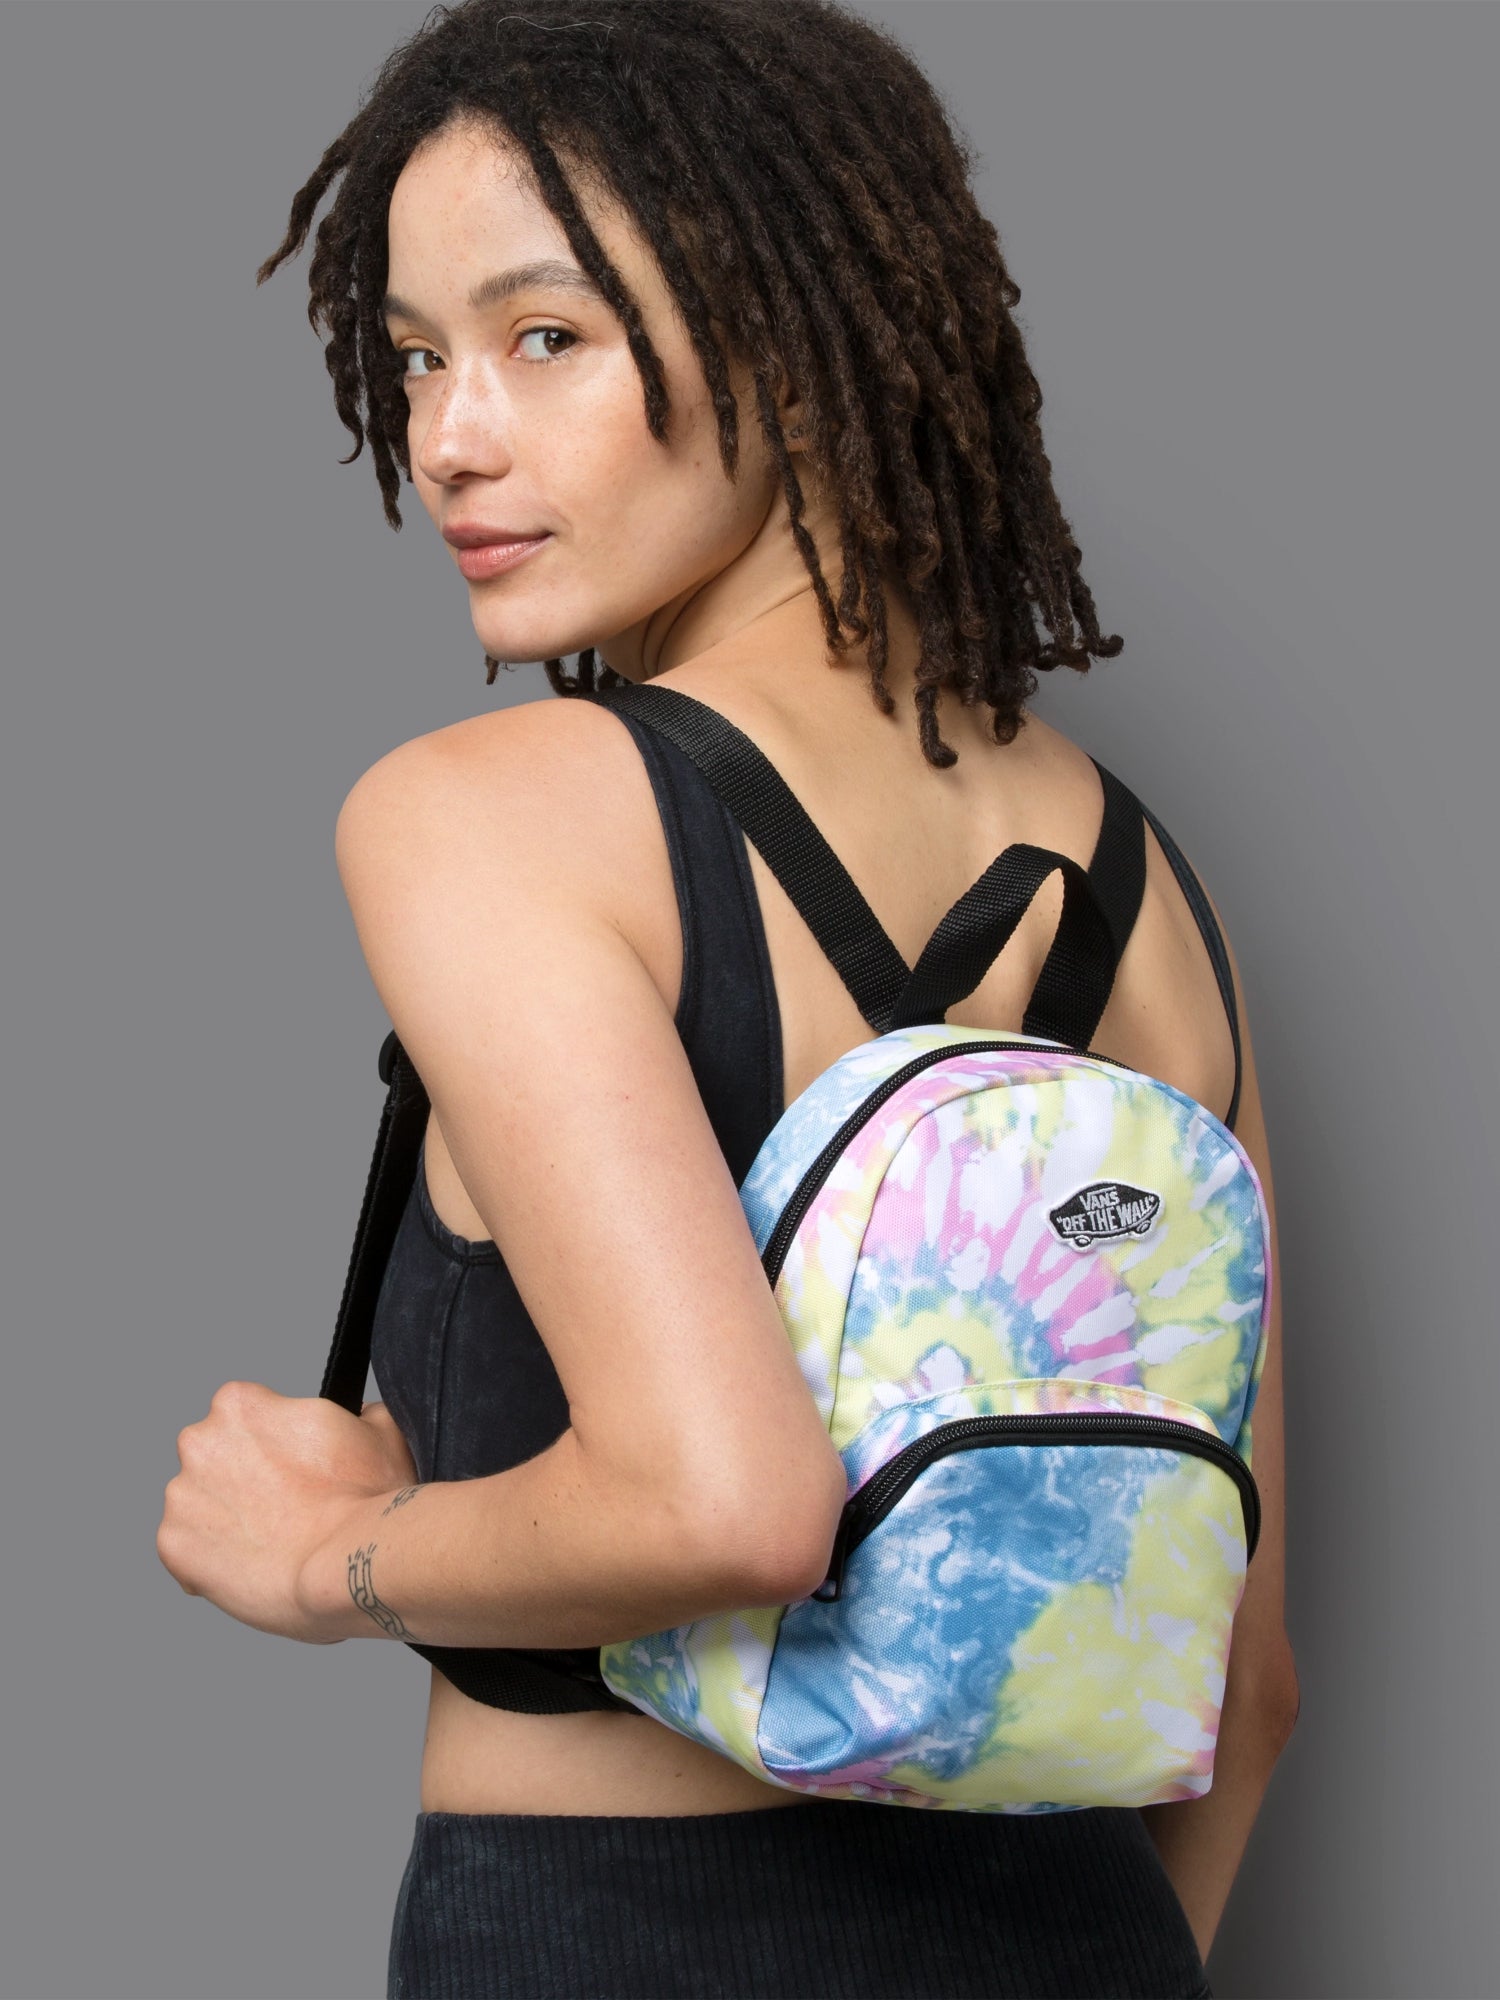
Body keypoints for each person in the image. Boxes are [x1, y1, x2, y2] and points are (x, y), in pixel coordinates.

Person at [156, 2, 1299, 1993]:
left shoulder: (490, 815)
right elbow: (1246, 1679)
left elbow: (729, 1500)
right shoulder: (1151, 887)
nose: (450, 436)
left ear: (788, 329)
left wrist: (328, 1558)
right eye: (416, 356)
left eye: (545, 337)